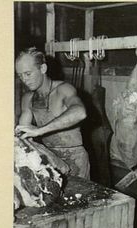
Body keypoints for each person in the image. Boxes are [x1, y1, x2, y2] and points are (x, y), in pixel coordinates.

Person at [15, 47, 90, 179]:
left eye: (28, 74)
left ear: (43, 69)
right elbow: (24, 132)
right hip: (49, 157)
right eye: (20, 75)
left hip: (75, 158)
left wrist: (39, 130)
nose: (24, 80)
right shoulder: (28, 98)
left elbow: (80, 112)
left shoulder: (63, 89)